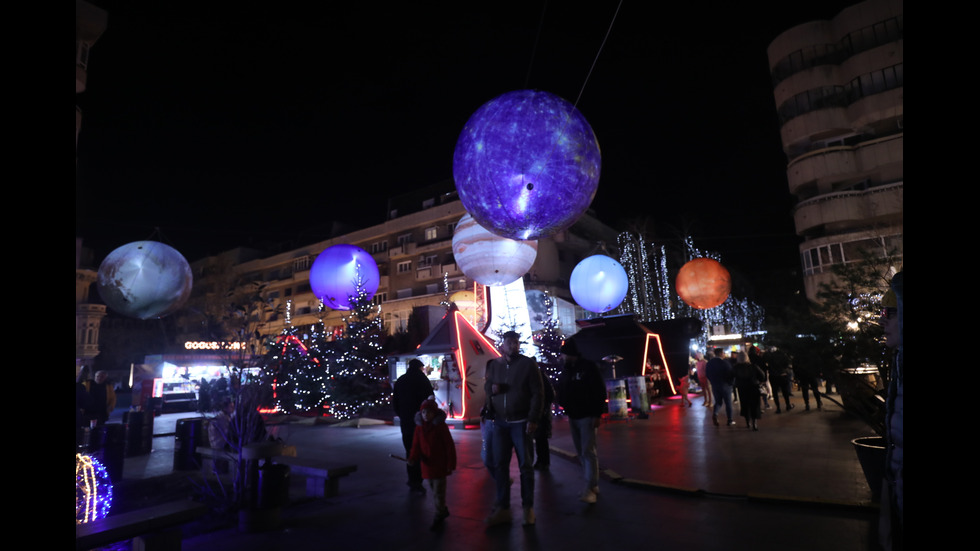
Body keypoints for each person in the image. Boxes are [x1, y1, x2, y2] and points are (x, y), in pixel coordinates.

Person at [484, 331, 544, 526]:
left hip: (521, 422)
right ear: (502, 344)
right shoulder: (495, 365)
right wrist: (491, 389)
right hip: (501, 423)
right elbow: (487, 386)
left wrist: (533, 418)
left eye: (515, 342)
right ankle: (503, 507)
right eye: (509, 342)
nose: (512, 345)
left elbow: (538, 393)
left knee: (525, 466)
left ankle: (528, 508)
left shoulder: (528, 365)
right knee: (500, 465)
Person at [557, 337, 606, 504]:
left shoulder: (587, 368)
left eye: (563, 355)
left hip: (586, 415)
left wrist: (597, 414)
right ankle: (592, 484)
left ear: (570, 354)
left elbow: (599, 390)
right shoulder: (568, 369)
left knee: (587, 451)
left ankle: (590, 486)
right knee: (584, 451)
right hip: (574, 415)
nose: (561, 358)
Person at [407, 397, 457, 530]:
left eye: (429, 412)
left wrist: (450, 463)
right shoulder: (419, 429)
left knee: (438, 492)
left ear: (434, 413)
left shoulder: (440, 427)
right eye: (423, 412)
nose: (426, 415)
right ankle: (442, 510)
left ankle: (439, 514)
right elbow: (416, 445)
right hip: (427, 465)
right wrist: (412, 457)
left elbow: (448, 445)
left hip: (439, 464)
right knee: (433, 489)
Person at [393, 358, 434, 494]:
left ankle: (412, 480)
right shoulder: (423, 380)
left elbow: (395, 403)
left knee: (410, 451)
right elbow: (430, 399)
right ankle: (419, 480)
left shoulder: (401, 380)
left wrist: (403, 415)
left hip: (406, 423)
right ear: (420, 368)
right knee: (421, 451)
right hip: (421, 423)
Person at [733, 351, 766, 430]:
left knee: (745, 405)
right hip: (753, 387)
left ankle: (748, 422)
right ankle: (755, 424)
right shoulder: (753, 366)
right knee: (754, 405)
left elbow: (731, 376)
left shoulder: (736, 367)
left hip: (742, 388)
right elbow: (762, 376)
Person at [705, 348, 735, 426]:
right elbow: (730, 374)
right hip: (725, 385)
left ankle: (715, 413)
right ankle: (730, 420)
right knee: (728, 403)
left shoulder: (710, 363)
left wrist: (712, 382)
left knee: (718, 401)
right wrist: (731, 383)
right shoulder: (724, 363)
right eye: (724, 352)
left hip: (715, 385)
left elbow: (707, 374)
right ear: (721, 353)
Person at [533, 375, 555, 470]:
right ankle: (542, 461)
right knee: (540, 438)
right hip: (541, 411)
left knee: (540, 438)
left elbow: (550, 395)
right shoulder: (540, 376)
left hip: (541, 412)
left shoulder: (539, 376)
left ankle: (543, 461)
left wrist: (544, 408)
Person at [766, 347, 795, 413]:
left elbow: (768, 365)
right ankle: (788, 405)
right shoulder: (783, 355)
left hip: (773, 376)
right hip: (783, 375)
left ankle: (778, 408)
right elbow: (787, 364)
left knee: (775, 392)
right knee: (785, 391)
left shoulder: (771, 356)